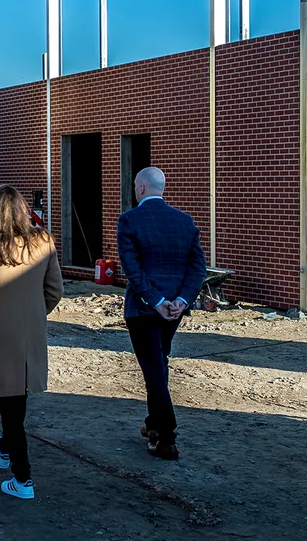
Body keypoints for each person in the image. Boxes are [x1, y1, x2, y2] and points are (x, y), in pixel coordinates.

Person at [0, 186, 63, 500]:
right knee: (15, 402)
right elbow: (55, 290)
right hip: (31, 333)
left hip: (0, 332)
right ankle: (5, 447)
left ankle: (23, 479)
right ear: (23, 210)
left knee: (10, 408)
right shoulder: (44, 242)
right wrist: (37, 314)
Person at [116, 166, 206, 461]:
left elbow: (132, 269)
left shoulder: (129, 220)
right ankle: (154, 425)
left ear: (140, 188)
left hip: (142, 309)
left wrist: (154, 300)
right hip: (175, 309)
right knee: (159, 362)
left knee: (154, 369)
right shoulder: (185, 221)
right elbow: (197, 268)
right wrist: (181, 299)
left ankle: (166, 437)